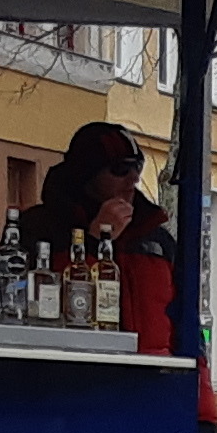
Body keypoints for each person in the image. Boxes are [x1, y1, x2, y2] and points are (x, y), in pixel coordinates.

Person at [25, 121, 182, 358]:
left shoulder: (155, 238)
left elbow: (186, 320)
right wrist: (94, 241)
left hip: (153, 375)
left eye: (137, 168)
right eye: (120, 169)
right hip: (74, 371)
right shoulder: (41, 227)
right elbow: (42, 305)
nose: (133, 179)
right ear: (87, 174)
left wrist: (199, 391)